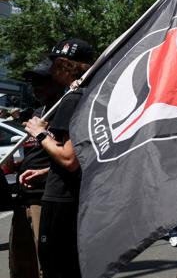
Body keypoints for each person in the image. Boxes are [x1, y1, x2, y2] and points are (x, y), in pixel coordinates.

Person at [24, 38, 94, 278]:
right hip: (70, 197)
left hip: (63, 201)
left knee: (57, 269)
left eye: (54, 62)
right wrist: (45, 171)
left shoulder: (74, 98)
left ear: (64, 65)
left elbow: (69, 159)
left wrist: (40, 133)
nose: (51, 68)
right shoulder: (88, 95)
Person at [9, 61, 64, 278]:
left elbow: (75, 158)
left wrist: (44, 173)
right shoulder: (37, 113)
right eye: (34, 82)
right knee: (22, 265)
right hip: (23, 199)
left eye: (43, 81)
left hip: (45, 200)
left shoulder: (65, 111)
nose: (36, 86)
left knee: (47, 265)